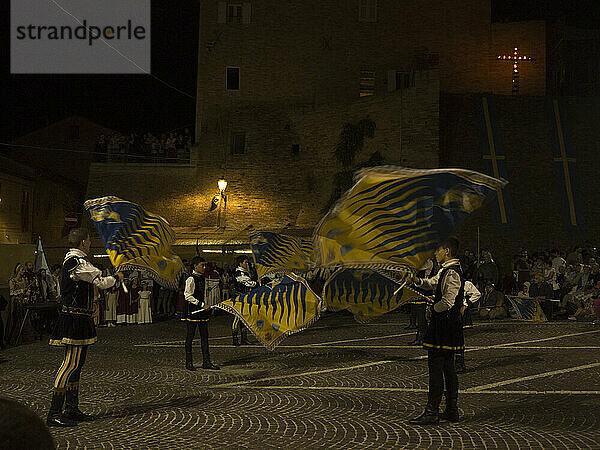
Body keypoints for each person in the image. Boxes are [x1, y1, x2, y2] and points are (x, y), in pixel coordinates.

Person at [47, 228, 123, 427]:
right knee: (69, 364)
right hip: (74, 319)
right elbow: (99, 280)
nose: (90, 243)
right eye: (89, 241)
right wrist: (116, 278)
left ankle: (71, 409)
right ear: (83, 242)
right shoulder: (75, 261)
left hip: (80, 318)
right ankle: (54, 412)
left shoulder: (79, 260)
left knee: (77, 365)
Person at [408, 238, 466, 425]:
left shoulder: (452, 272)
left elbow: (448, 301)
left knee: (436, 369)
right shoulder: (447, 270)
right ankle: (451, 410)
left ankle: (432, 411)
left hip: (444, 327)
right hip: (448, 327)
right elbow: (432, 283)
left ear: (447, 251)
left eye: (438, 249)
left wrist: (433, 308)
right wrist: (416, 280)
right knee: (448, 368)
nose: (435, 253)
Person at [182, 256, 219, 371]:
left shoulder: (202, 278)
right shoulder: (191, 279)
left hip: (202, 312)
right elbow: (187, 296)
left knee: (205, 337)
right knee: (190, 337)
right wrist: (202, 305)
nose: (204, 267)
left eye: (204, 265)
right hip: (193, 312)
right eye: (202, 265)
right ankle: (189, 363)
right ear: (195, 266)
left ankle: (206, 362)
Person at [455, 280, 481, 373]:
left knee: (458, 338)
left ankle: (459, 363)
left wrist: (466, 305)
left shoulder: (465, 283)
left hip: (458, 313)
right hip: (447, 312)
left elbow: (477, 294)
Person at [233, 256, 257, 346]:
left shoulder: (245, 272)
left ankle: (244, 338)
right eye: (245, 262)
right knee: (237, 318)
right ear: (240, 263)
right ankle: (235, 339)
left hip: (245, 298)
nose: (247, 264)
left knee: (244, 318)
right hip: (239, 298)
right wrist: (256, 283)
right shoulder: (239, 272)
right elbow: (247, 283)